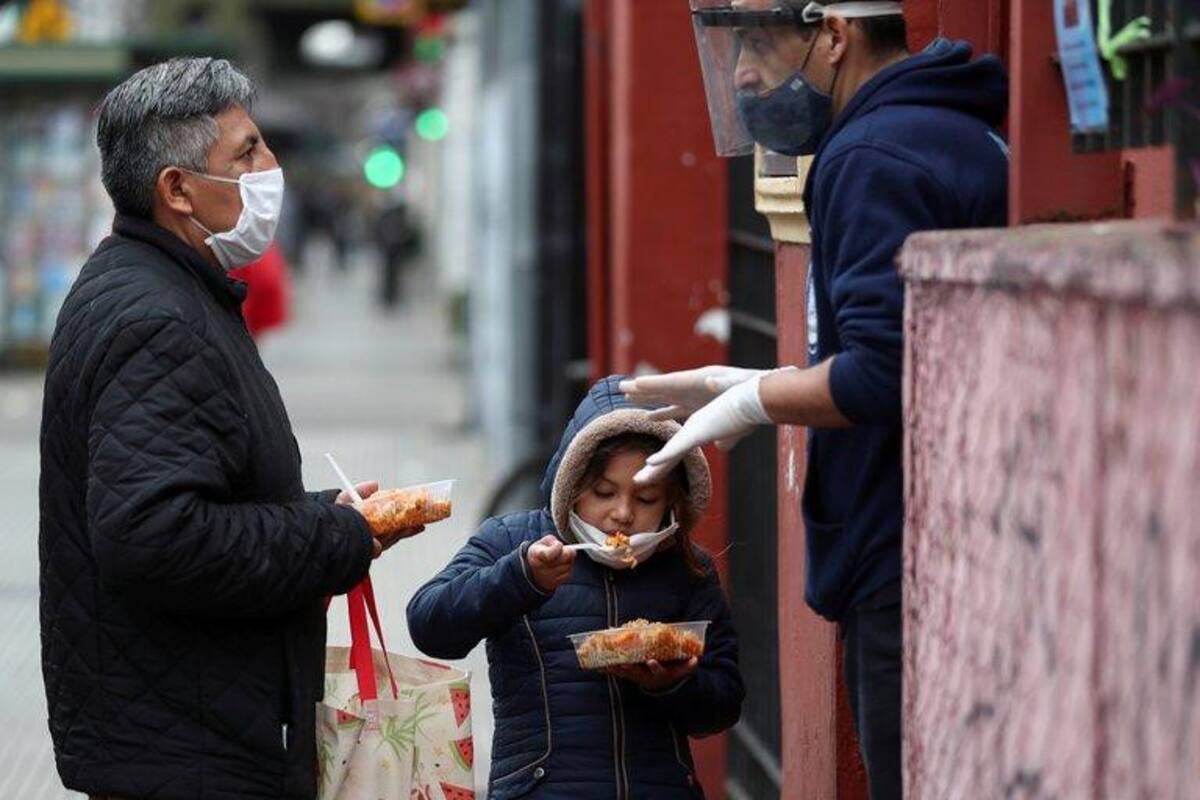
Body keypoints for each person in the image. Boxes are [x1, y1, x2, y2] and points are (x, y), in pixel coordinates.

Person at [625, 2, 1009, 797]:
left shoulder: (870, 154)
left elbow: (882, 371)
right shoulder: (941, 129)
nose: (744, 74)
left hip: (904, 553)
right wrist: (742, 385)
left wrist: (755, 399)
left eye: (760, 44)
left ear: (834, 34)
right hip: (966, 533)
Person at [39, 57, 423, 800]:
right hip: (190, 748)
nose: (269, 166)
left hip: (180, 727)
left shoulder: (158, 286)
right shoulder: (158, 319)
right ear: (177, 190)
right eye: (245, 152)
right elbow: (156, 536)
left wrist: (320, 515)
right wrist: (333, 542)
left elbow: (188, 483)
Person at [407, 376, 744, 799]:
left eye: (646, 500)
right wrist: (520, 578)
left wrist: (671, 684)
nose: (622, 514)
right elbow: (428, 623)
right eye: (604, 492)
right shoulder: (514, 541)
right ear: (572, 481)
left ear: (672, 502)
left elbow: (725, 704)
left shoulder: (686, 566)